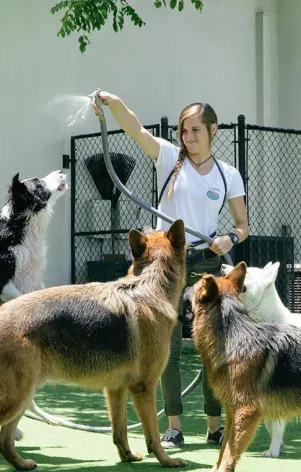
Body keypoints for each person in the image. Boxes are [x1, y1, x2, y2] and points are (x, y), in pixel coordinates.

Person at [91, 91, 249, 448]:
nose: (188, 137)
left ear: (213, 130)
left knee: (212, 346)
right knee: (168, 347)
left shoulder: (229, 175)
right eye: (183, 131)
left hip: (206, 264)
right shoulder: (167, 158)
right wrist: (112, 103)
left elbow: (243, 225)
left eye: (195, 130)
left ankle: (214, 427)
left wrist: (229, 238)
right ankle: (174, 427)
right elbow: (134, 128)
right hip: (165, 266)